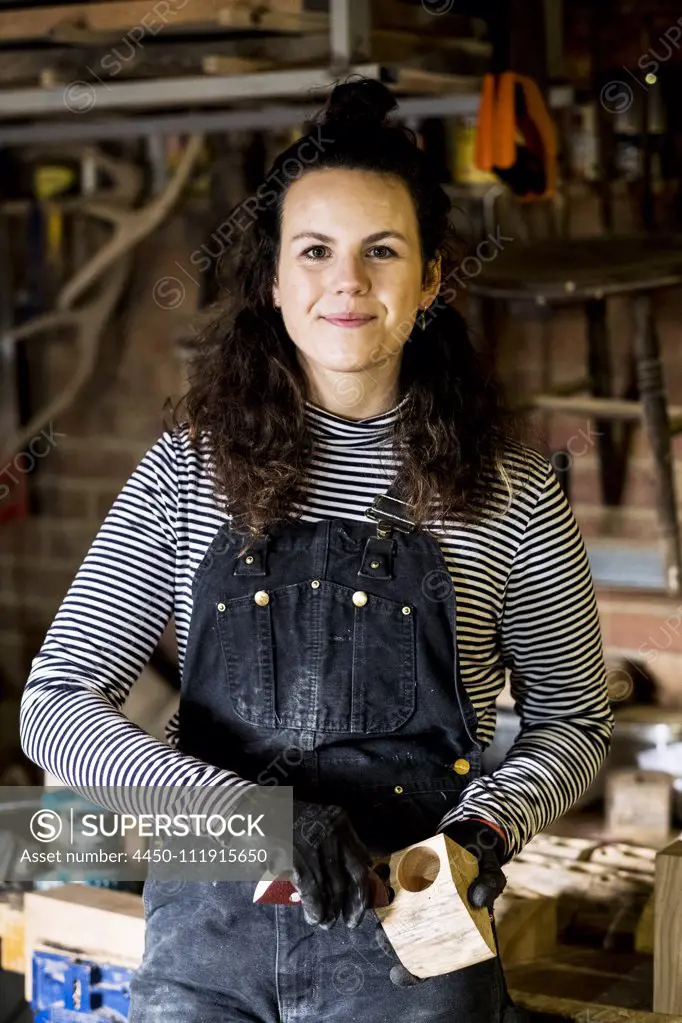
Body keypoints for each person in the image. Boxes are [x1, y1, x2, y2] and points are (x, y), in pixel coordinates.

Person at [20, 77, 614, 1022]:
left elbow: (573, 722)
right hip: (208, 931)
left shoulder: (509, 492)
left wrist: (474, 841)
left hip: (416, 913)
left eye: (383, 251)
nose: (348, 280)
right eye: (315, 251)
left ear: (429, 281)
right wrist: (255, 821)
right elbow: (52, 709)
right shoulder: (187, 473)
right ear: (274, 280)